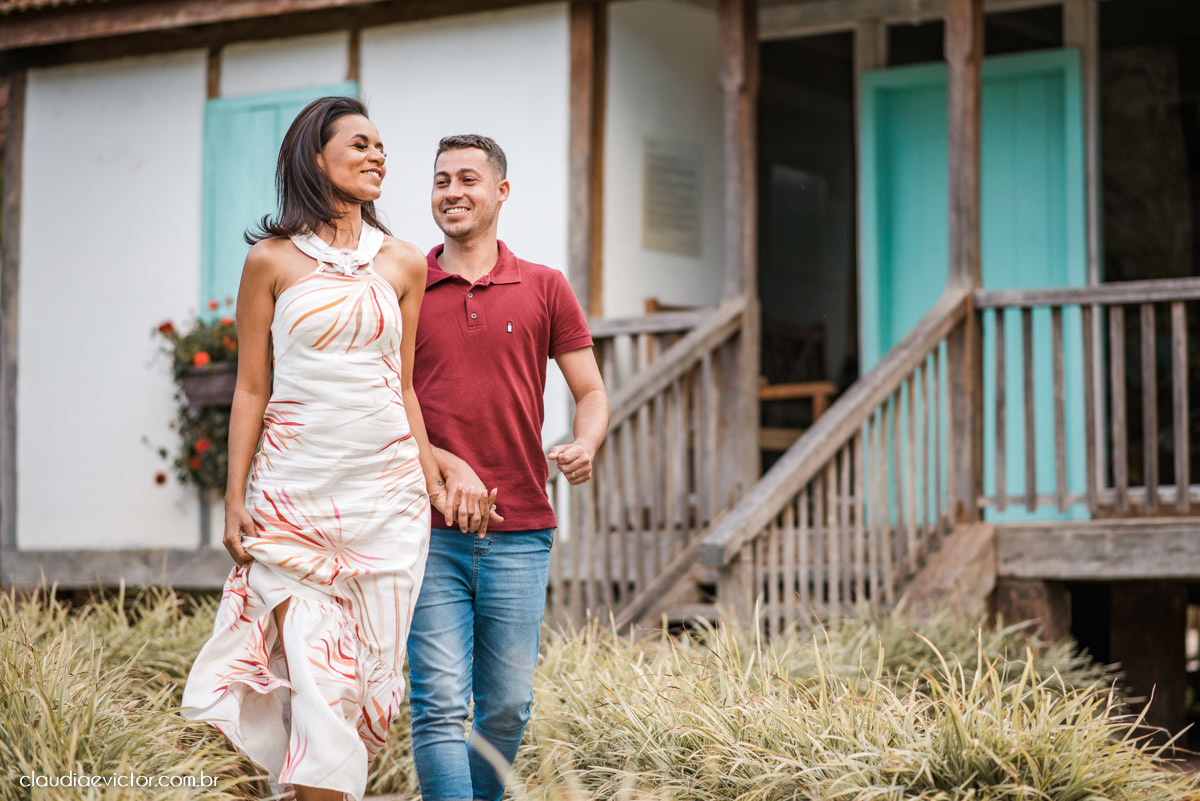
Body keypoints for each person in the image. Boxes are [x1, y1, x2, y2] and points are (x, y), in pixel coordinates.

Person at [181, 96, 447, 801]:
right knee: (317, 681)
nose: (377, 155)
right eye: (359, 143)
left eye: (381, 146)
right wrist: (235, 498)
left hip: (387, 502)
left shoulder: (404, 263)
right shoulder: (270, 261)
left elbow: (406, 384)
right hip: (293, 497)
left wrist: (430, 469)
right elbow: (250, 389)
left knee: (363, 682)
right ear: (314, 157)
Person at [406, 134, 610, 801]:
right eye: (441, 180)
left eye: (468, 178)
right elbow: (383, 399)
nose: (452, 191)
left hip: (521, 528)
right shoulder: (406, 284)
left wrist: (585, 441)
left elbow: (592, 392)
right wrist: (441, 463)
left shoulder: (546, 286)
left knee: (507, 706)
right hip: (428, 529)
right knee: (438, 703)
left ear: (501, 191)